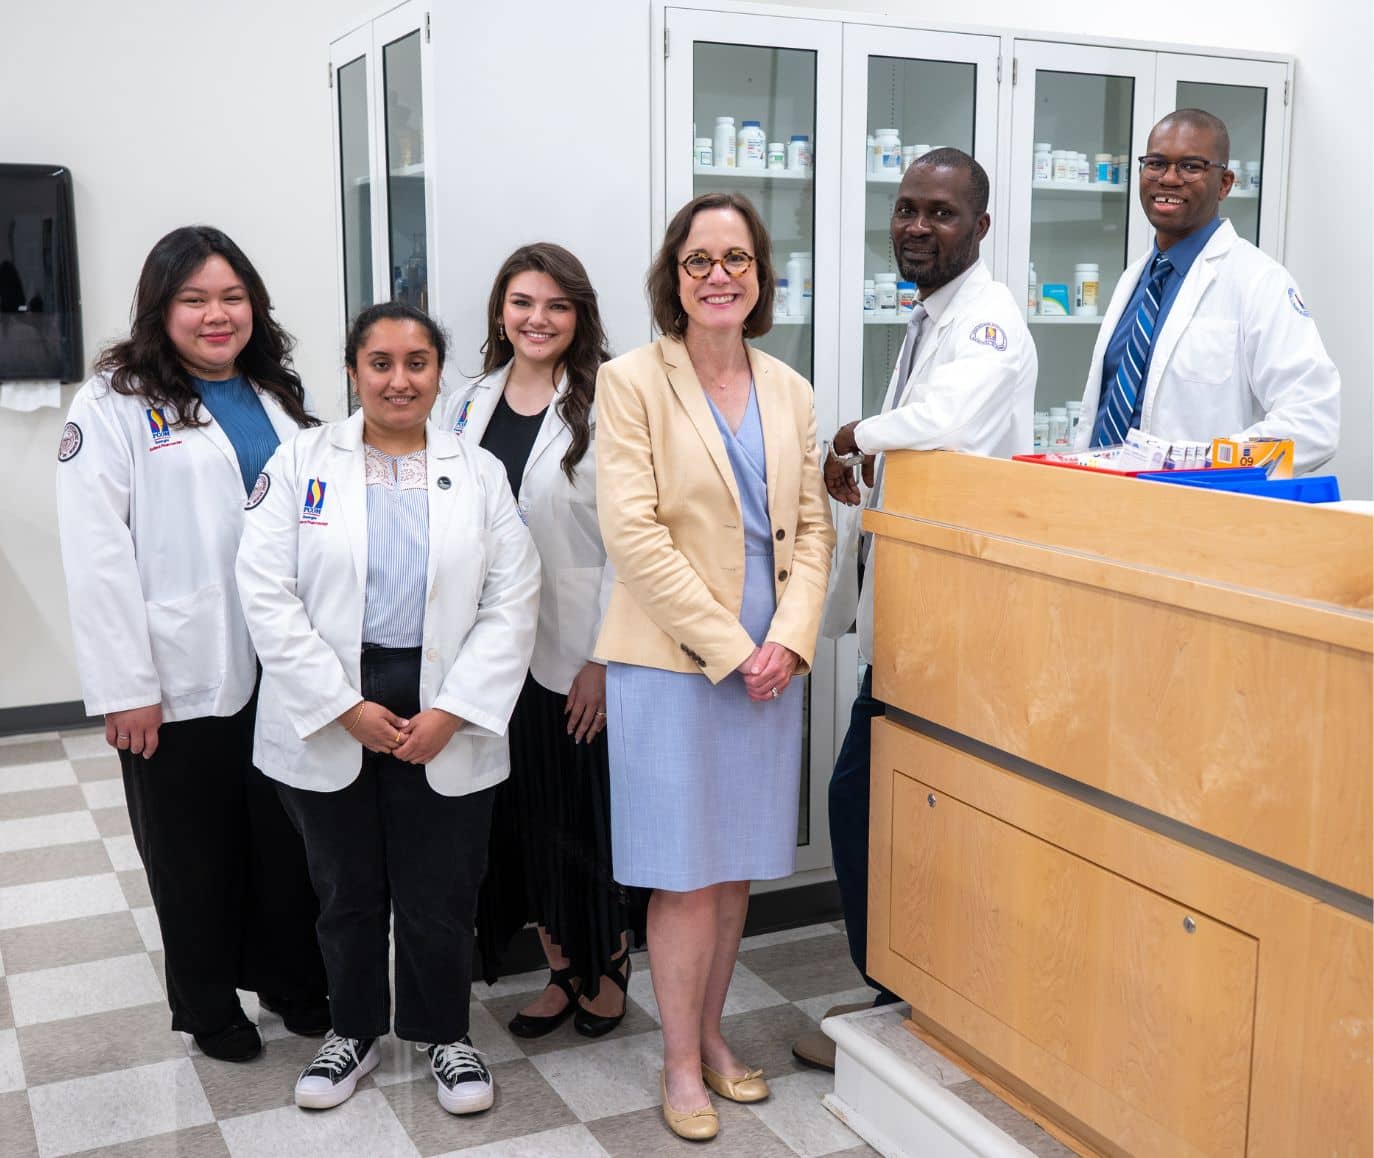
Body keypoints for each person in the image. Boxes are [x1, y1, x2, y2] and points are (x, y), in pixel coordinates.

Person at [235, 303, 540, 1114]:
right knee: (344, 886)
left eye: (416, 363)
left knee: (442, 887)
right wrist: (341, 706)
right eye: (380, 362)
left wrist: (457, 710)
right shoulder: (301, 460)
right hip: (333, 698)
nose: (399, 380)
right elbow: (265, 595)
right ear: (353, 370)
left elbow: (514, 599)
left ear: (440, 372)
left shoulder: (478, 471)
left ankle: (446, 1035)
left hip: (444, 700)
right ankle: (353, 1031)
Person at [54, 225, 328, 1062]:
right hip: (175, 672)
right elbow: (95, 552)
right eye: (195, 299)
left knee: (284, 837)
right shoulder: (113, 403)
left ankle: (291, 979)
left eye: (233, 297)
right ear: (160, 308)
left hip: (280, 665)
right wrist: (124, 686)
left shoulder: (273, 391)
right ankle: (209, 1006)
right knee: (190, 850)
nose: (218, 315)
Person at [595, 192, 835, 1141]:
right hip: (673, 663)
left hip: (771, 664)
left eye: (738, 258)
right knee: (685, 875)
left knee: (734, 873)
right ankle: (681, 1065)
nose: (721, 275)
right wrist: (736, 649)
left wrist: (791, 642)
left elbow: (813, 528)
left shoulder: (790, 387)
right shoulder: (631, 381)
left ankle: (715, 1037)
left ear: (762, 277)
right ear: (674, 276)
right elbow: (635, 536)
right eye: (700, 260)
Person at [794, 148, 1036, 1071]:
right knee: (888, 800)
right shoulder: (933, 314)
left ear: (979, 227)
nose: (917, 227)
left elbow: (939, 420)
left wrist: (852, 436)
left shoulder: (988, 323)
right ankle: (901, 994)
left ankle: (896, 999)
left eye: (940, 214)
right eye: (905, 210)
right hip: (915, 602)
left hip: (957, 616)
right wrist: (870, 469)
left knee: (866, 797)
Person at [455, 243, 645, 1039]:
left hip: (575, 651)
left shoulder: (611, 402)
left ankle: (608, 964)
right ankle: (560, 968)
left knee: (581, 816)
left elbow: (632, 544)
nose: (538, 319)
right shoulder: (464, 403)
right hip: (490, 649)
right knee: (521, 818)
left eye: (556, 305)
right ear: (501, 309)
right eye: (523, 302)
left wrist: (603, 658)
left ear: (579, 316)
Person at [1073, 108, 1340, 473]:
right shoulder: (1135, 279)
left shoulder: (1260, 282)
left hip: (1195, 509)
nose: (1168, 178)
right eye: (1156, 163)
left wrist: (1203, 465)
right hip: (1097, 500)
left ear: (1225, 183)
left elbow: (1313, 423)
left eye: (1191, 167)